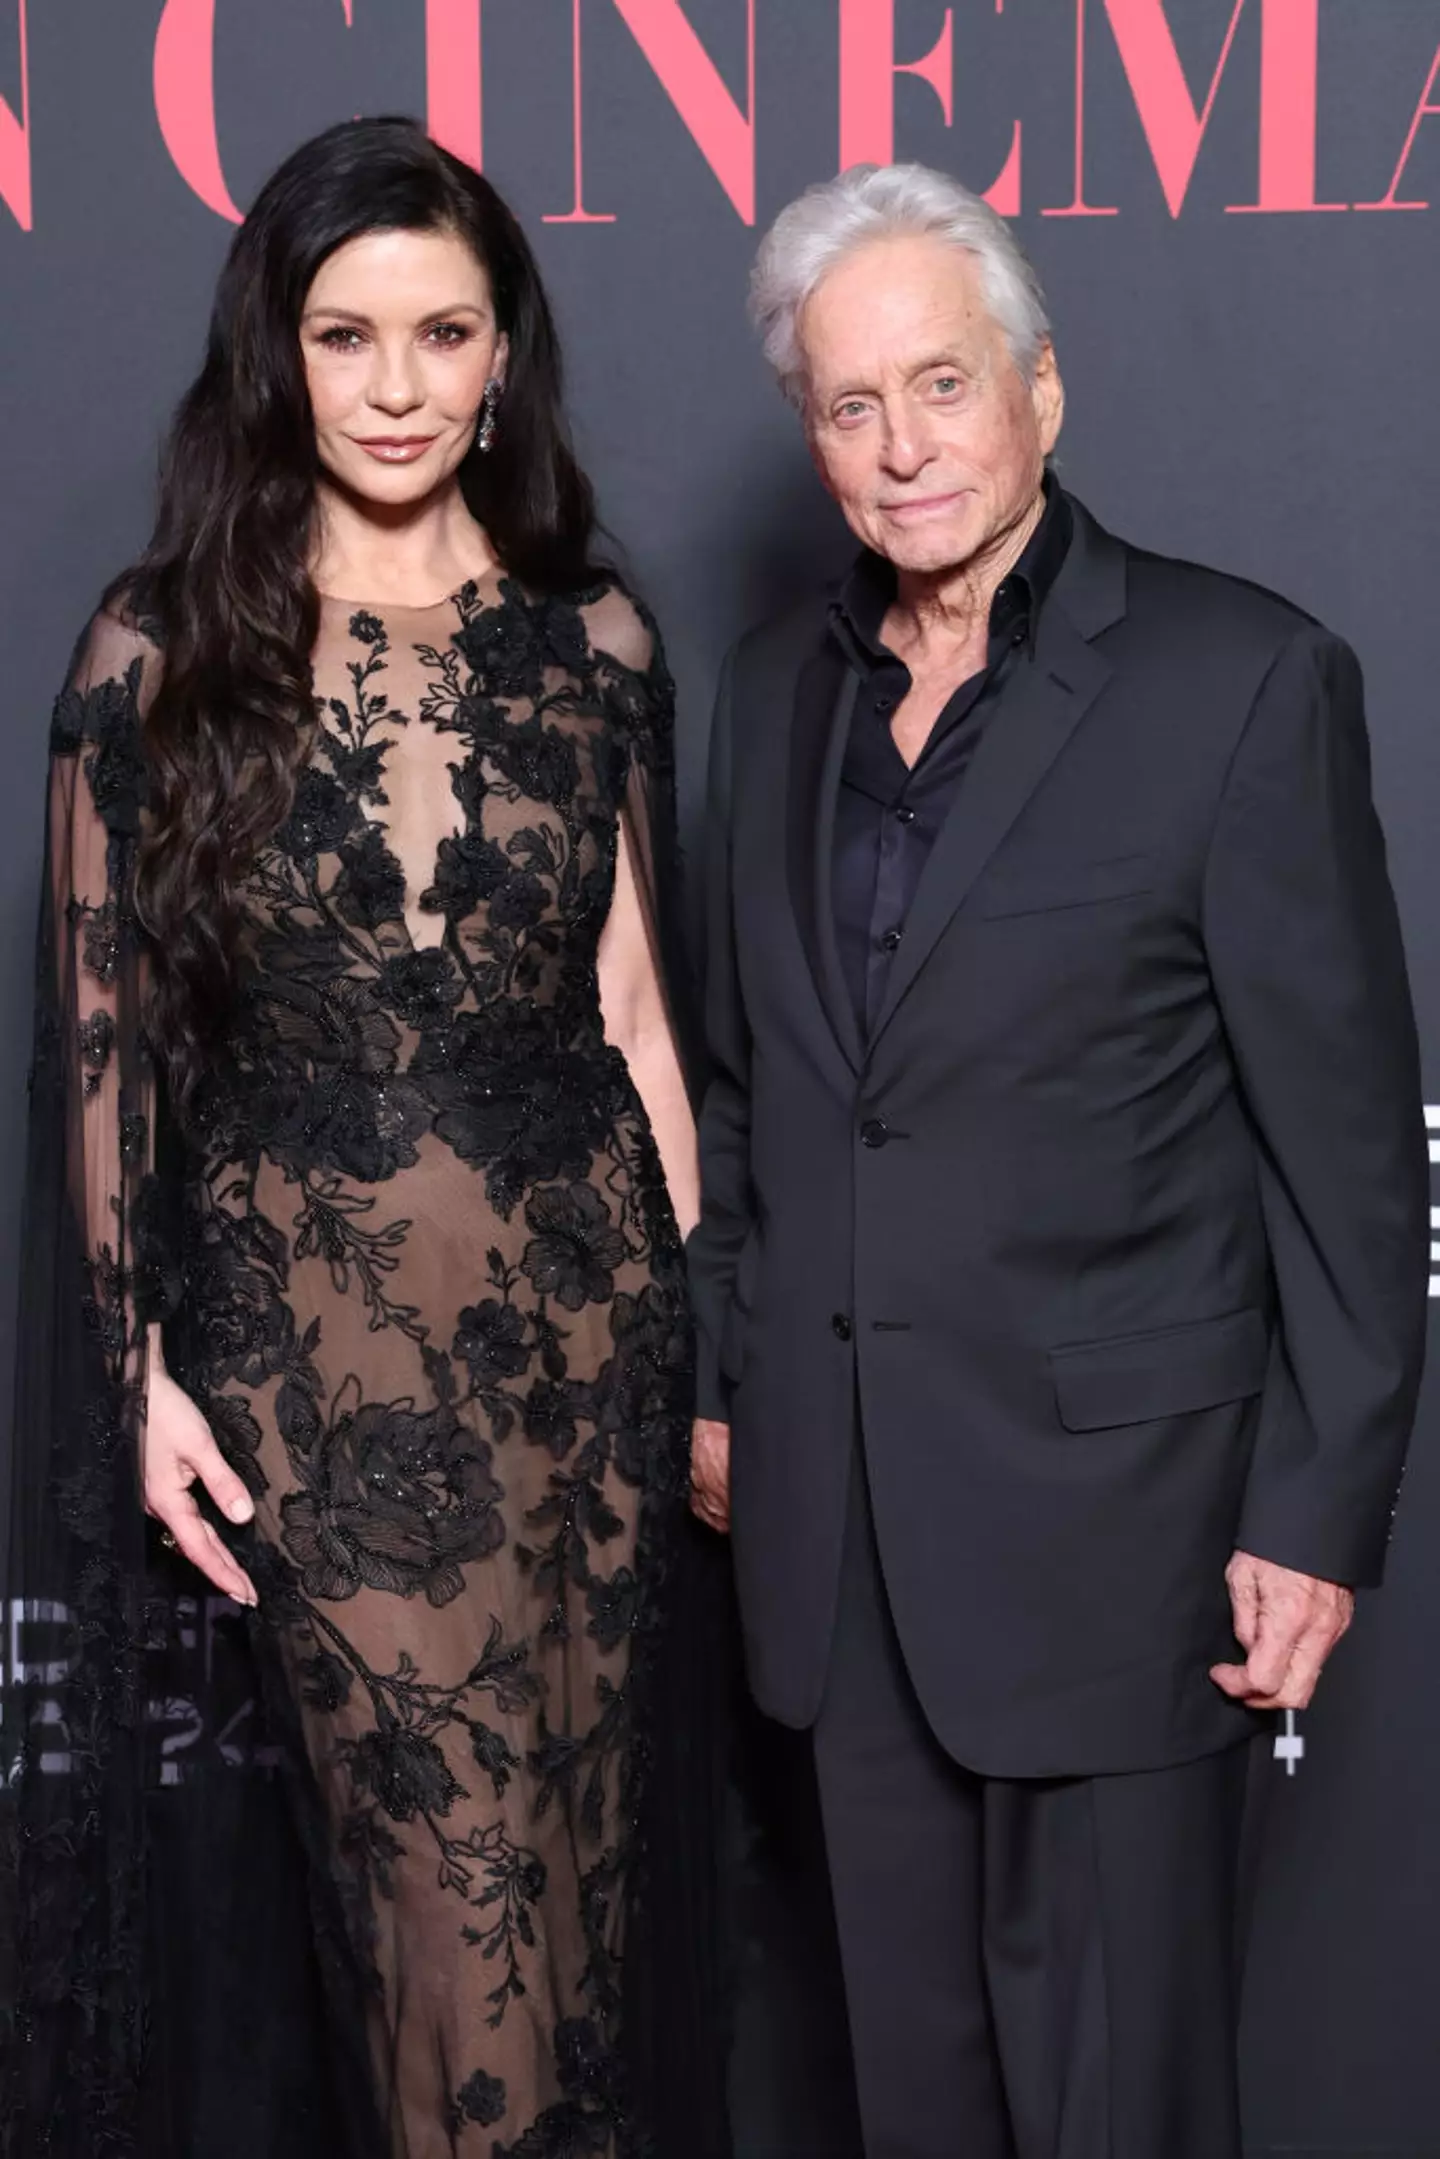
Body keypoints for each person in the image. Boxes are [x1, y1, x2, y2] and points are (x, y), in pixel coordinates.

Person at [686, 162, 1428, 2159]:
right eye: (850, 403)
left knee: (1124, 2112)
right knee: (906, 2106)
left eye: (943, 383)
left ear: (1042, 389)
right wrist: (726, 1378)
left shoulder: (1240, 680)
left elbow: (1351, 1158)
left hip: (1130, 1548)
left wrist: (1317, 1512)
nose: (902, 444)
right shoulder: (770, 695)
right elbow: (753, 1090)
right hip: (841, 1554)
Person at [2, 116, 721, 2159]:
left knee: (570, 1919)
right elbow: (103, 1047)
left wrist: (702, 1362)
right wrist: (137, 1367)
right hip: (326, 1382)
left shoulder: (595, 643)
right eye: (344, 335)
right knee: (446, 1916)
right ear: (277, 353)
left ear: (504, 356)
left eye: (442, 332)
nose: (396, 386)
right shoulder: (159, 652)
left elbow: (638, 1025)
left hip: (591, 1354)